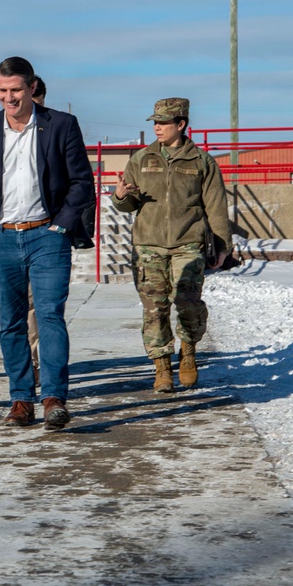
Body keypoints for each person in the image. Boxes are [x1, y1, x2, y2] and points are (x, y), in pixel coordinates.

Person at [0, 57, 94, 430]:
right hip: (1, 238)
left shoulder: (61, 125)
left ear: (32, 87)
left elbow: (82, 182)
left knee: (50, 316)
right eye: (2, 91)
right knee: (11, 322)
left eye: (16, 90)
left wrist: (62, 226)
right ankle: (21, 400)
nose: (9, 98)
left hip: (47, 236)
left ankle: (53, 398)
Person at [111, 98, 231, 393]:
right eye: (155, 123)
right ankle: (162, 367)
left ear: (181, 125)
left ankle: (188, 353)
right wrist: (120, 195)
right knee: (155, 308)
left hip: (188, 243)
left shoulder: (202, 161)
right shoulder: (141, 159)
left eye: (164, 123)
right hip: (148, 245)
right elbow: (128, 205)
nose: (158, 128)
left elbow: (215, 205)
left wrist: (222, 244)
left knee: (187, 302)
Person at [27, 75, 47, 383]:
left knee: (44, 304)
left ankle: (41, 364)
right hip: (11, 231)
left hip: (47, 232)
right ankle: (29, 363)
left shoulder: (54, 130)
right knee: (21, 305)